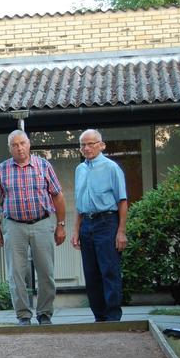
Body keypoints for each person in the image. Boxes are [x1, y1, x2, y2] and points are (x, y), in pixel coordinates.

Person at [0, 130, 66, 326]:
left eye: (22, 143)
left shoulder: (43, 165)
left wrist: (61, 225)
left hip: (42, 223)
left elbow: (57, 196)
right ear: (10, 148)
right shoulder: (2, 169)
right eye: (14, 145)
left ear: (29, 144)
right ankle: (23, 316)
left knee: (46, 272)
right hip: (13, 226)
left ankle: (44, 314)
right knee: (16, 274)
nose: (19, 148)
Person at [71, 129, 128, 322]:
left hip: (107, 223)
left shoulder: (111, 168)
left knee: (109, 271)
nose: (86, 148)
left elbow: (122, 201)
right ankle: (99, 317)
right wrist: (76, 230)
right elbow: (79, 203)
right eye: (83, 145)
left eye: (90, 144)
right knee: (91, 273)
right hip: (87, 224)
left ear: (101, 145)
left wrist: (121, 231)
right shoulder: (80, 170)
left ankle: (113, 317)